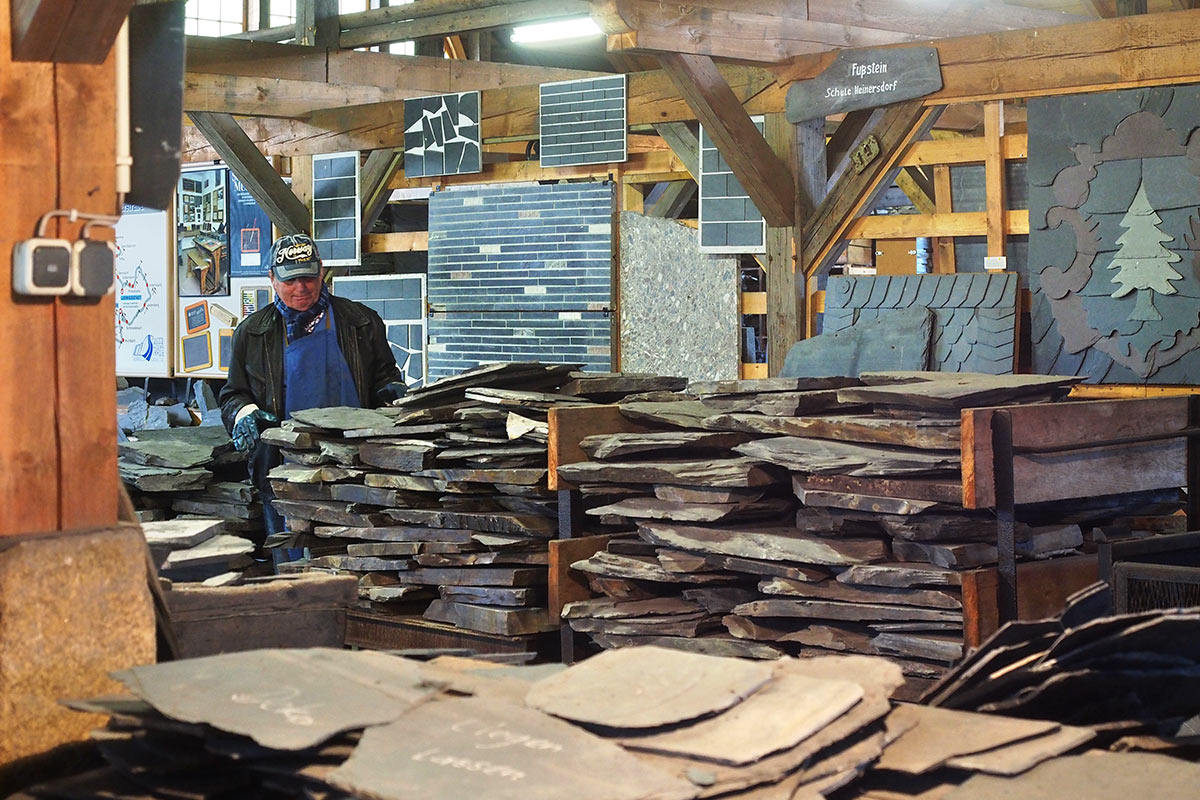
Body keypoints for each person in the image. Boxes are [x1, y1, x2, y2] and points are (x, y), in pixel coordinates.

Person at [219, 233, 407, 538]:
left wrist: (392, 391)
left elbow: (385, 375)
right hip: (283, 467)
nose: (300, 288)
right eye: (290, 281)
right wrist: (244, 414)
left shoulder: (361, 321)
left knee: (354, 549)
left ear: (321, 272)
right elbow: (233, 394)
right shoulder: (252, 333)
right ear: (272, 278)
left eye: (307, 278)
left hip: (353, 461)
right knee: (291, 557)